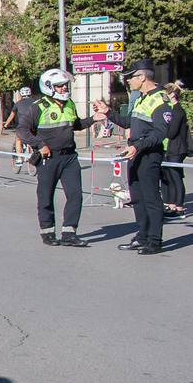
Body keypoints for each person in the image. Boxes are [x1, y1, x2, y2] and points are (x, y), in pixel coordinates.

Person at [95, 59, 172, 254]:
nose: (128, 81)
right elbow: (129, 122)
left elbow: (160, 132)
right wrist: (108, 113)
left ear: (143, 77)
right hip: (135, 152)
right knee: (137, 198)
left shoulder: (160, 99)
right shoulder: (141, 98)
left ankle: (154, 240)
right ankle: (142, 236)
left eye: (131, 77)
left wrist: (138, 146)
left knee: (151, 198)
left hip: (148, 154)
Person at [16, 70, 92, 247]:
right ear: (49, 87)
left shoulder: (69, 104)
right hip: (49, 158)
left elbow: (76, 124)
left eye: (65, 85)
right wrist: (39, 144)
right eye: (59, 86)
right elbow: (22, 130)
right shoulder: (39, 107)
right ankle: (48, 232)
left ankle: (69, 233)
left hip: (69, 157)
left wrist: (94, 119)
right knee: (45, 196)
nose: (64, 88)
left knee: (75, 195)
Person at [160, 81, 188, 219]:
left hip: (177, 148)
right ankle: (171, 205)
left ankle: (180, 208)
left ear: (172, 95)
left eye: (166, 93)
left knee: (176, 177)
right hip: (172, 148)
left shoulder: (178, 111)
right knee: (170, 177)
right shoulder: (173, 109)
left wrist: (162, 128)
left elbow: (171, 132)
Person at [5, 85, 34, 172]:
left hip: (23, 125)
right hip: (34, 125)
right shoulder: (35, 102)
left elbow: (12, 115)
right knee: (32, 138)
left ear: (21, 95)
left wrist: (6, 124)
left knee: (18, 140)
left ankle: (19, 158)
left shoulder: (18, 104)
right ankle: (31, 150)